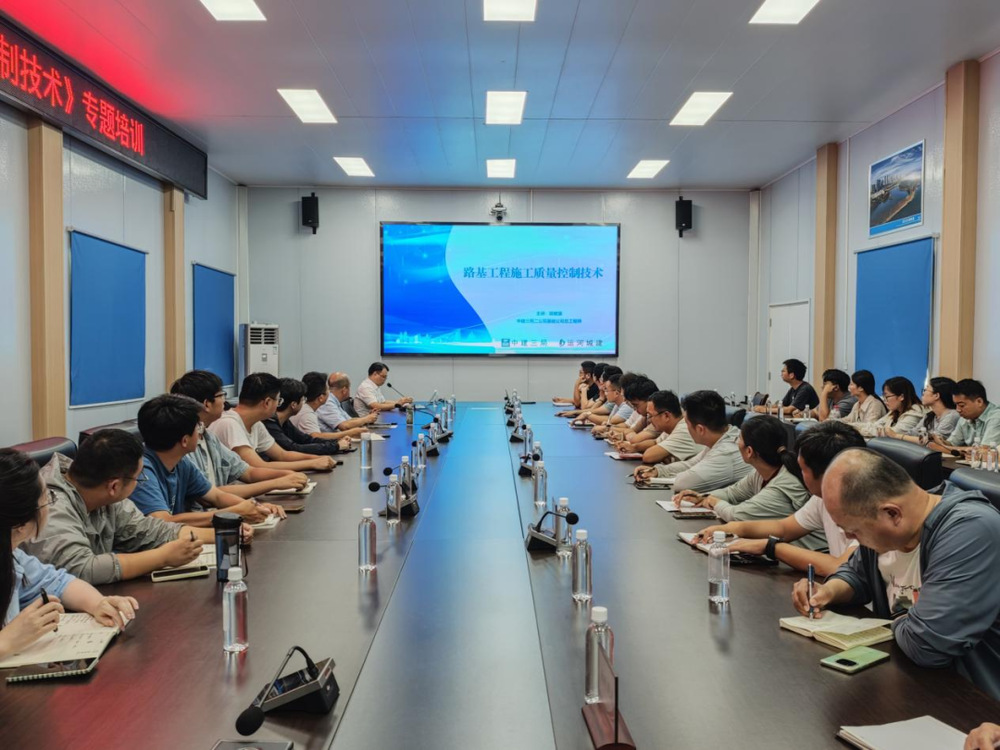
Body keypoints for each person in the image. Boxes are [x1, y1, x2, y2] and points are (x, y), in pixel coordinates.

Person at [791, 448, 1000, 700]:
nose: (850, 538)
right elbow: (856, 574)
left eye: (854, 531)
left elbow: (927, 646)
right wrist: (828, 591)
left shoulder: (970, 531)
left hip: (973, 702)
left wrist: (899, 620)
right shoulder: (890, 531)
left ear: (892, 513)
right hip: (911, 683)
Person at [0, 448, 138, 661]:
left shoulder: (13, 557)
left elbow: (60, 582)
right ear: (20, 526)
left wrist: (98, 603)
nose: (50, 506)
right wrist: (7, 640)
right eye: (48, 499)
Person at [27, 429, 215, 584]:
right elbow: (82, 569)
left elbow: (149, 531)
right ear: (114, 486)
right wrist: (163, 557)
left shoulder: (100, 490)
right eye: (138, 478)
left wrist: (223, 535)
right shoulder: (50, 505)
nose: (140, 482)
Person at [688, 421, 866, 573]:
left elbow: (840, 567)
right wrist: (729, 529)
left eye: (802, 469)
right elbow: (783, 528)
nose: (799, 475)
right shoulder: (821, 499)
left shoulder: (866, 509)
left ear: (829, 474)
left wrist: (771, 547)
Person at [131, 394, 281, 527]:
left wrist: (255, 507)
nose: (201, 431)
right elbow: (162, 521)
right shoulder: (140, 470)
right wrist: (233, 513)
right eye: (198, 426)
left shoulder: (181, 462)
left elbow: (216, 496)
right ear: (185, 440)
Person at [672, 417, 819, 546]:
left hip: (809, 554)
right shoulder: (761, 473)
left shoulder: (783, 485)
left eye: (739, 439)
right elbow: (732, 493)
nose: (737, 443)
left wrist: (714, 501)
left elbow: (737, 515)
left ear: (749, 451)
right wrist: (702, 497)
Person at [170, 370, 311, 497]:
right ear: (207, 404)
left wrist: (288, 475)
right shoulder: (186, 445)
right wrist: (275, 483)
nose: (225, 401)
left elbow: (248, 472)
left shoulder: (209, 438)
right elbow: (210, 494)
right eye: (222, 395)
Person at [209, 373, 337, 472]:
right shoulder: (229, 424)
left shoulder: (256, 424)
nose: (278, 405)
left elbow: (282, 455)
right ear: (267, 402)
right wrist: (311, 463)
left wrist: (318, 459)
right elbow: (258, 467)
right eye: (278, 400)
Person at [634, 390, 752, 493]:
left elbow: (683, 484)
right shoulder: (724, 436)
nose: (685, 427)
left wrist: (659, 475)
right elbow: (691, 464)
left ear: (700, 429)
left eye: (687, 423)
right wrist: (658, 471)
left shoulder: (726, 452)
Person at [264, 378, 350, 456]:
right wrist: (336, 446)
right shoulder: (270, 424)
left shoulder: (285, 422)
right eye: (303, 399)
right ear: (293, 404)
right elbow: (293, 448)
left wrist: (336, 441)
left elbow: (306, 439)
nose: (304, 403)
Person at [294, 371, 374, 439]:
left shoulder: (310, 409)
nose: (330, 392)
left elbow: (347, 420)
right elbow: (316, 437)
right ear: (321, 398)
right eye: (328, 390)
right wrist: (350, 433)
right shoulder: (307, 414)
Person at [893, 377, 960, 448]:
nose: (923, 394)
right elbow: (912, 433)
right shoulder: (930, 415)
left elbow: (934, 442)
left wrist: (897, 436)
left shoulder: (952, 415)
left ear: (936, 395)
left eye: (925, 390)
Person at [936, 379, 1000, 451]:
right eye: (956, 405)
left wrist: (947, 447)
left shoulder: (996, 417)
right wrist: (939, 441)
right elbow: (952, 443)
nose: (958, 410)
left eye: (961, 405)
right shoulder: (965, 417)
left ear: (979, 402)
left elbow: (984, 451)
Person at [856, 376, 927, 438]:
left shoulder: (915, 413)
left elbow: (891, 433)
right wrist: (852, 427)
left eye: (887, 396)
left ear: (901, 397)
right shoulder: (895, 411)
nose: (884, 400)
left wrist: (855, 429)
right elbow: (874, 425)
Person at [640, 390, 698, 465]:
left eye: (650, 416)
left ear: (666, 416)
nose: (649, 420)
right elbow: (655, 443)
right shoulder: (670, 427)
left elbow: (648, 456)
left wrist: (661, 455)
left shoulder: (684, 429)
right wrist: (633, 447)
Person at [612, 377, 658, 452]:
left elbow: (635, 440)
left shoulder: (658, 417)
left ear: (649, 400)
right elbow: (629, 431)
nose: (634, 409)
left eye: (636, 405)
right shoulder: (645, 416)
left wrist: (629, 437)